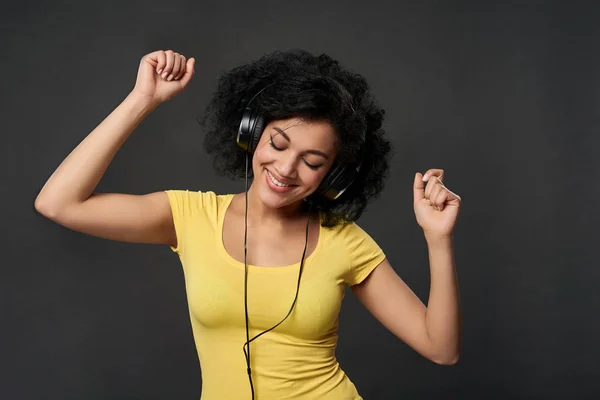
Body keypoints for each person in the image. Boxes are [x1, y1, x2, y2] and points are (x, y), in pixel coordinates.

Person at [35, 49, 462, 400]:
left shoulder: (344, 242)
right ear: (251, 133)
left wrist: (437, 239)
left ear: (332, 176)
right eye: (277, 143)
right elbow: (59, 203)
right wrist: (142, 99)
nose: (286, 168)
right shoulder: (189, 217)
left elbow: (441, 349)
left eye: (312, 162)